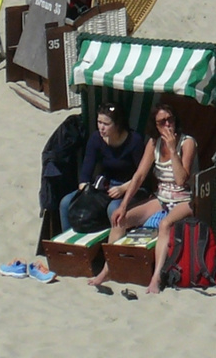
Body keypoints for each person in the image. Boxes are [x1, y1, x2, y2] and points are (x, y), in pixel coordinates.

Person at [87, 99, 199, 294]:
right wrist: (123, 205)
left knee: (165, 225)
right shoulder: (153, 143)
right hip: (162, 196)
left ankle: (156, 278)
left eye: (169, 120)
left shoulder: (187, 142)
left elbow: (182, 180)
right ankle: (108, 269)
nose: (167, 125)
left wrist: (173, 150)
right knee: (120, 219)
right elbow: (139, 175)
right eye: (161, 122)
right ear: (155, 125)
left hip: (184, 198)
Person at [59, 103, 147, 232]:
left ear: (117, 124)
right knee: (66, 203)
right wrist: (85, 191)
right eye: (99, 122)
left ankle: (111, 244)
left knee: (113, 209)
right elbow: (86, 172)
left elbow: (143, 175)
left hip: (131, 186)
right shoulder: (96, 138)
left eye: (106, 124)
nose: (101, 127)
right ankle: (67, 242)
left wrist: (123, 188)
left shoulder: (134, 141)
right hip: (104, 185)